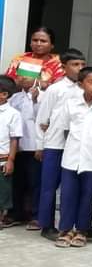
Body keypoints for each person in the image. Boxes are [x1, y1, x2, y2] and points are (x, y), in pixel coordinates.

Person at [52, 68, 92, 247]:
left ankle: (82, 230)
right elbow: (64, 128)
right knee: (68, 195)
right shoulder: (71, 104)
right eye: (91, 82)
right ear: (80, 84)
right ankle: (65, 229)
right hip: (71, 157)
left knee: (87, 196)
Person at [34, 49, 86, 238]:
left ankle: (78, 226)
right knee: (49, 186)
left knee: (75, 188)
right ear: (64, 67)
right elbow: (42, 118)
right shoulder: (55, 89)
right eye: (75, 64)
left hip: (77, 145)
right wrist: (40, 145)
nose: (80, 68)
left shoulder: (86, 89)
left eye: (82, 64)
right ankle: (46, 225)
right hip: (55, 144)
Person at [9, 72, 40, 226]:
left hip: (35, 146)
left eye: (27, 75)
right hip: (18, 147)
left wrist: (35, 100)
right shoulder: (14, 98)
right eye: (20, 75)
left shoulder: (43, 95)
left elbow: (43, 118)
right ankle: (17, 213)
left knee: (35, 182)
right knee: (18, 181)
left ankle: (35, 215)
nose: (22, 78)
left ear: (36, 77)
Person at [0, 76, 22, 227]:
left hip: (3, 158)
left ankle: (1, 217)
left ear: (4, 94)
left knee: (3, 191)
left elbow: (14, 139)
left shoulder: (13, 114)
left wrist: (11, 160)